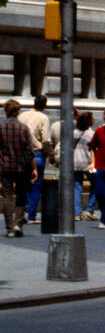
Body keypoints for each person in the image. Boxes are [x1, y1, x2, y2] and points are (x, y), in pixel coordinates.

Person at [0, 99, 38, 236]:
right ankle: (18, 224)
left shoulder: (1, 127)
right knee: (21, 195)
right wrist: (34, 168)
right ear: (17, 111)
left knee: (7, 196)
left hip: (5, 166)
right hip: (22, 167)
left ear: (6, 110)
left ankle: (10, 227)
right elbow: (29, 150)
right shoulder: (23, 128)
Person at [20, 94, 50, 224]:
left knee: (24, 183)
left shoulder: (22, 115)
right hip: (37, 153)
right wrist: (50, 153)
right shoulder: (43, 117)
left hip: (22, 153)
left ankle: (23, 212)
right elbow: (45, 139)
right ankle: (31, 215)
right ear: (44, 105)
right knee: (36, 185)